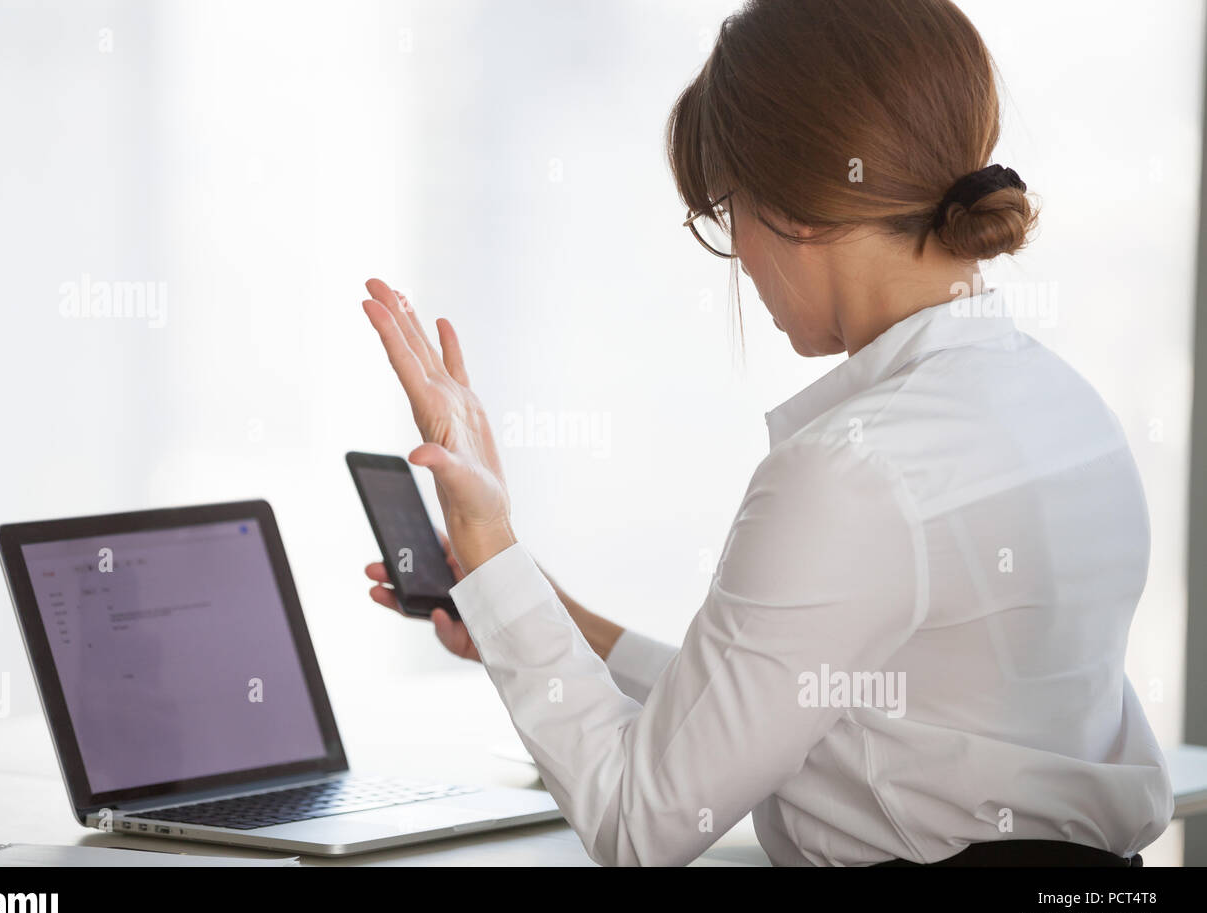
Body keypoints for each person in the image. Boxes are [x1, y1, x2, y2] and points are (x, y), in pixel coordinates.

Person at [359, 0, 1173, 866]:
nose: (739, 254)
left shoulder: (853, 474)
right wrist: (540, 614)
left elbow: (638, 821)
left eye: (727, 208)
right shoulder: (1071, 413)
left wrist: (486, 538)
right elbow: (808, 706)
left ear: (799, 210)